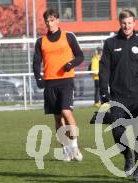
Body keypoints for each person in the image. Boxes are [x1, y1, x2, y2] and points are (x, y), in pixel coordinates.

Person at [99, 9, 138, 182]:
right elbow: (104, 69)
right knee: (117, 132)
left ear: (134, 23)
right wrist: (103, 90)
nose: (127, 26)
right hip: (118, 96)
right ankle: (128, 156)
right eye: (124, 23)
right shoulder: (110, 43)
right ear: (120, 23)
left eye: (130, 23)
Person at [33, 8, 84, 162]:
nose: (49, 23)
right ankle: (66, 149)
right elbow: (36, 63)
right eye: (47, 21)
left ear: (57, 20)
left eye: (52, 20)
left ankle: (74, 146)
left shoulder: (68, 36)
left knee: (66, 112)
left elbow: (80, 56)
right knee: (57, 119)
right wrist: (38, 78)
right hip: (50, 83)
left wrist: (71, 63)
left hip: (66, 81)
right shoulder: (41, 41)